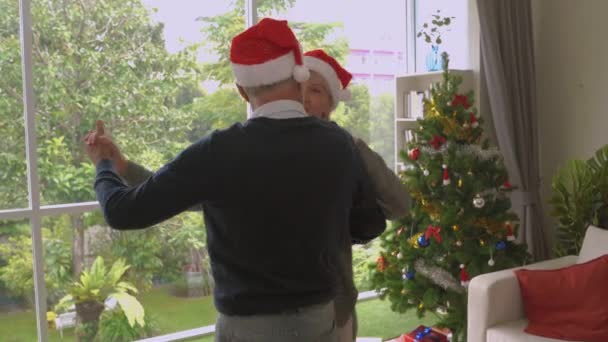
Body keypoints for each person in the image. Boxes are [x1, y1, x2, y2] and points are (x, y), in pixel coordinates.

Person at [84, 18, 386, 342]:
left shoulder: (219, 151)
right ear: (299, 77)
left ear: (242, 89)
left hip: (247, 331)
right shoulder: (339, 143)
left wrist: (105, 165)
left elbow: (122, 211)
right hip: (321, 323)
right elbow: (370, 224)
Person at [302, 49, 409, 341]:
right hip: (276, 309)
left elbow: (399, 203)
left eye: (315, 90)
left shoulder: (348, 150)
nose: (304, 98)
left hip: (335, 306)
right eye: (297, 89)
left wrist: (354, 146)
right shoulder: (264, 149)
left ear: (330, 104)